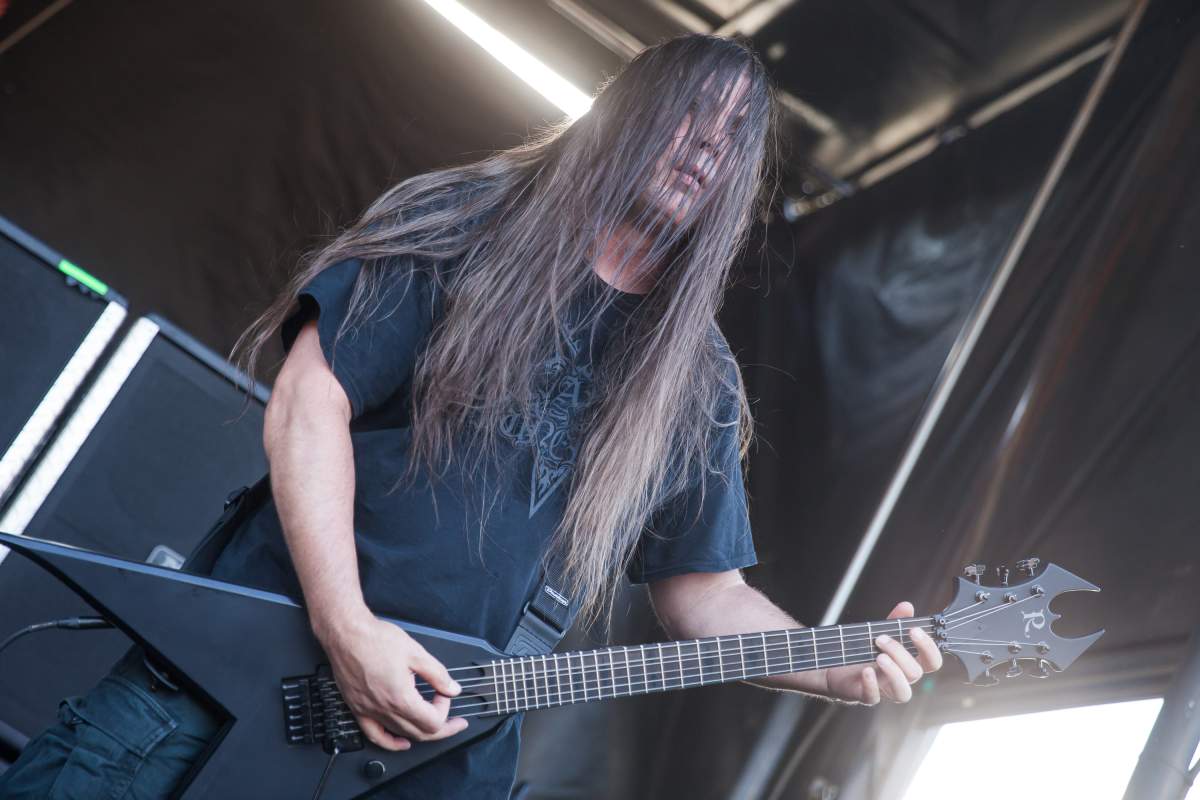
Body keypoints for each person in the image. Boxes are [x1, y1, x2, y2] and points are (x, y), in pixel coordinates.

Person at [0, 33, 941, 799]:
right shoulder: (468, 224)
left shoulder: (695, 384)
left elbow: (705, 592)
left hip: (425, 767)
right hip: (228, 687)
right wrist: (346, 625)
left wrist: (832, 664)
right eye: (694, 110)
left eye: (737, 136)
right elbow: (309, 397)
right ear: (629, 112)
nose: (707, 143)